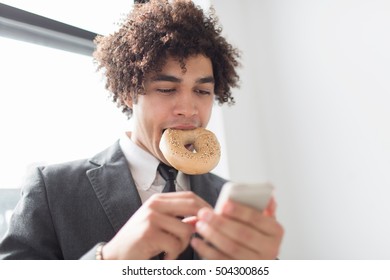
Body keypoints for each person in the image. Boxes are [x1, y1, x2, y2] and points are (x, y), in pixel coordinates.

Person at [0, 0, 283, 260]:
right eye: (166, 89)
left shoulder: (226, 197)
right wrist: (108, 260)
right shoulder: (52, 188)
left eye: (202, 90)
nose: (188, 108)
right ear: (128, 93)